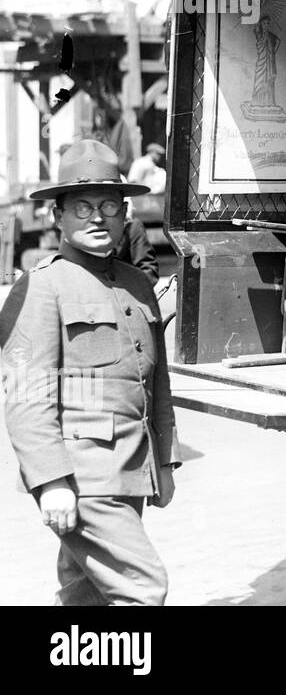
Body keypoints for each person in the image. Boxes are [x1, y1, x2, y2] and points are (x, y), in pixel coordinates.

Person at [0, 140, 181, 605]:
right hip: (83, 477)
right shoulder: (41, 286)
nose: (97, 217)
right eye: (82, 207)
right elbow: (26, 394)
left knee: (86, 594)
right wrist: (51, 481)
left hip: (130, 469)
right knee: (143, 588)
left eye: (109, 206)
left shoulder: (138, 283)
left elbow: (154, 383)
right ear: (57, 218)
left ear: (125, 216)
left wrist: (164, 461)